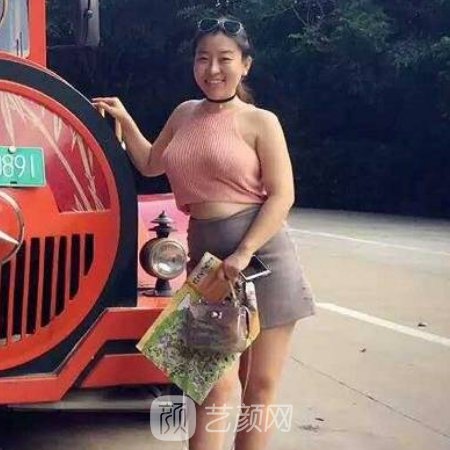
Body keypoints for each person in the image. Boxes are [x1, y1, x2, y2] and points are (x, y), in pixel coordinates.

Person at [92, 16, 315, 450]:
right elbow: (151, 163)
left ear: (245, 65)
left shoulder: (261, 121)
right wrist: (125, 119)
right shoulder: (184, 114)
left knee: (259, 387)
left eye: (224, 59)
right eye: (202, 59)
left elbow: (282, 195)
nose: (213, 69)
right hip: (209, 266)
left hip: (262, 260)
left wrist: (244, 251)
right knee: (209, 383)